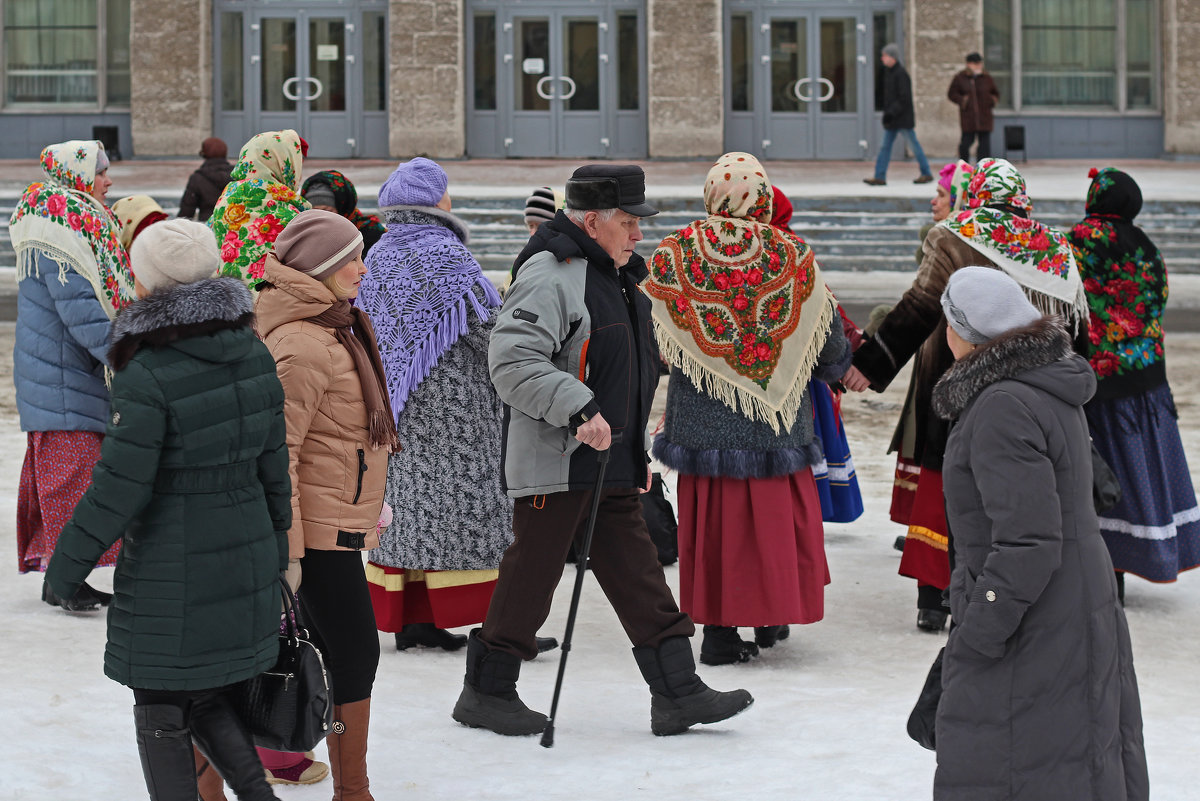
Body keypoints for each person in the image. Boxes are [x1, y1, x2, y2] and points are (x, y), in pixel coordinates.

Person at [451, 164, 753, 737]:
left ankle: (678, 692)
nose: (639, 233)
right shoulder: (551, 274)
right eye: (628, 222)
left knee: (640, 574)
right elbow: (511, 362)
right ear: (592, 222)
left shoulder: (614, 274)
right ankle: (486, 692)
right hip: (560, 458)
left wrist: (633, 445)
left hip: (609, 458)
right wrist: (579, 408)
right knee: (532, 575)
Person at [44, 219, 290, 801]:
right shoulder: (252, 349)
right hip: (245, 549)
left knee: (160, 697)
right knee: (203, 692)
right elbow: (275, 464)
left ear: (147, 282)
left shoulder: (148, 369)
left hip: (172, 562)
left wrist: (67, 567)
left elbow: (118, 486)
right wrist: (277, 547)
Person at [844, 158, 1088, 632]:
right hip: (1033, 392)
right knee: (1014, 494)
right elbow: (1076, 329)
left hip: (957, 382)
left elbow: (919, 307)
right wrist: (1073, 393)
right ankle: (1006, 596)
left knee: (949, 487)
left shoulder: (956, 234)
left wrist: (869, 365)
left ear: (975, 193)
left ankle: (933, 599)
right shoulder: (1055, 248)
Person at [931, 266, 1147, 801]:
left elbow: (1028, 541)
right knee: (1074, 752)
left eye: (948, 322)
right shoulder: (1039, 385)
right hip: (1074, 596)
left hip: (1033, 616)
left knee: (1019, 757)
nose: (944, 333)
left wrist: (979, 628)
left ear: (966, 331)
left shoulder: (1002, 404)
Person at [645, 154, 851, 665]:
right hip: (776, 425)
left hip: (702, 425)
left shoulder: (675, 252)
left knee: (716, 530)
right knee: (772, 526)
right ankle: (770, 616)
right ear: (762, 197)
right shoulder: (792, 254)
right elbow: (828, 343)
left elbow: (654, 337)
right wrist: (832, 365)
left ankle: (718, 632)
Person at [357, 158, 558, 654]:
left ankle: (414, 620)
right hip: (455, 410)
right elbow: (489, 328)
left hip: (396, 403)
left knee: (407, 508)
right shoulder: (446, 254)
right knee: (467, 509)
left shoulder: (378, 253)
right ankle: (500, 625)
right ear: (433, 200)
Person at [257, 209, 396, 800]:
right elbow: (278, 453)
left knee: (336, 654)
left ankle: (330, 776)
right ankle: (352, 789)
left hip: (333, 519)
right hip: (315, 532)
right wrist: (290, 550)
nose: (363, 269)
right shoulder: (303, 342)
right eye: (351, 260)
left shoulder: (333, 326)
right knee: (354, 655)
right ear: (320, 269)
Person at [10, 139, 135, 609]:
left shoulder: (69, 220)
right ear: (78, 174)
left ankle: (61, 579)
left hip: (66, 377)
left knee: (74, 485)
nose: (108, 181)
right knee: (72, 487)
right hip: (63, 381)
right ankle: (65, 582)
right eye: (100, 172)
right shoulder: (60, 229)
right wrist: (129, 356)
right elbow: (83, 314)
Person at [1068, 167, 1200, 593]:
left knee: (1100, 473)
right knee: (1140, 471)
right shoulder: (1146, 246)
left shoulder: (1081, 239)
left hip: (1098, 377)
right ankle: (1145, 554)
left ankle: (1106, 575)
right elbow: (1156, 301)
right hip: (1145, 380)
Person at [771, 186, 865, 530]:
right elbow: (828, 309)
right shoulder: (791, 249)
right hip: (799, 372)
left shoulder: (786, 249)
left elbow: (824, 307)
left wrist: (850, 346)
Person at [210, 129, 310, 287]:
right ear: (285, 165)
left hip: (224, 297)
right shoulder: (289, 214)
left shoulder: (225, 200)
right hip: (270, 300)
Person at [864, 43, 933, 187]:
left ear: (892, 57)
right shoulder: (889, 73)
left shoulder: (901, 74)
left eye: (885, 56)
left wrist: (891, 112)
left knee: (914, 145)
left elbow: (904, 98)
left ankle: (926, 173)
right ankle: (879, 176)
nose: (882, 59)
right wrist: (888, 113)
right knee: (885, 147)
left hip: (902, 119)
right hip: (893, 120)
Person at [301, 170, 386, 257]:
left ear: (343, 208)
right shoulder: (302, 237)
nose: (321, 217)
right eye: (314, 212)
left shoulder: (372, 236)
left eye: (328, 211)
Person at [946, 53, 999, 163]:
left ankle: (983, 167)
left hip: (985, 117)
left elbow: (995, 93)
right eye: (976, 63)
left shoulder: (986, 77)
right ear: (969, 64)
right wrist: (963, 101)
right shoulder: (960, 78)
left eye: (980, 63)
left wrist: (992, 100)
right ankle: (964, 166)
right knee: (965, 144)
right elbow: (952, 94)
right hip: (968, 118)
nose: (979, 66)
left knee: (984, 146)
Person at [178, 137, 234, 222]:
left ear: (204, 153)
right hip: (234, 225)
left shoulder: (197, 178)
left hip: (208, 225)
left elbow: (186, 212)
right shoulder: (236, 176)